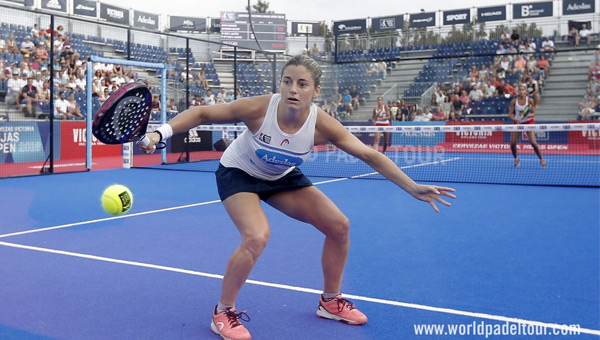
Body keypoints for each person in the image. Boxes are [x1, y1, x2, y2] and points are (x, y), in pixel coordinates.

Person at [138, 55, 455, 340]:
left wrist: (412, 187)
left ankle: (330, 302)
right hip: (239, 173)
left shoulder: (323, 125)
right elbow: (203, 113)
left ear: (315, 91)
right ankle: (222, 312)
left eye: (302, 84)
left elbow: (369, 155)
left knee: (339, 226)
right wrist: (158, 134)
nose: (293, 88)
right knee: (257, 235)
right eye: (287, 81)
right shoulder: (260, 109)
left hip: (280, 176)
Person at [508, 84, 546, 168]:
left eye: (522, 90)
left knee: (533, 142)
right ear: (518, 91)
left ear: (525, 91)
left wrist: (528, 115)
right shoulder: (514, 101)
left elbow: (533, 113)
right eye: (520, 90)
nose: (521, 91)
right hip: (518, 122)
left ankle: (541, 159)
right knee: (512, 143)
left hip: (528, 122)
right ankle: (516, 158)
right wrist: (515, 119)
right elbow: (510, 114)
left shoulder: (530, 101)